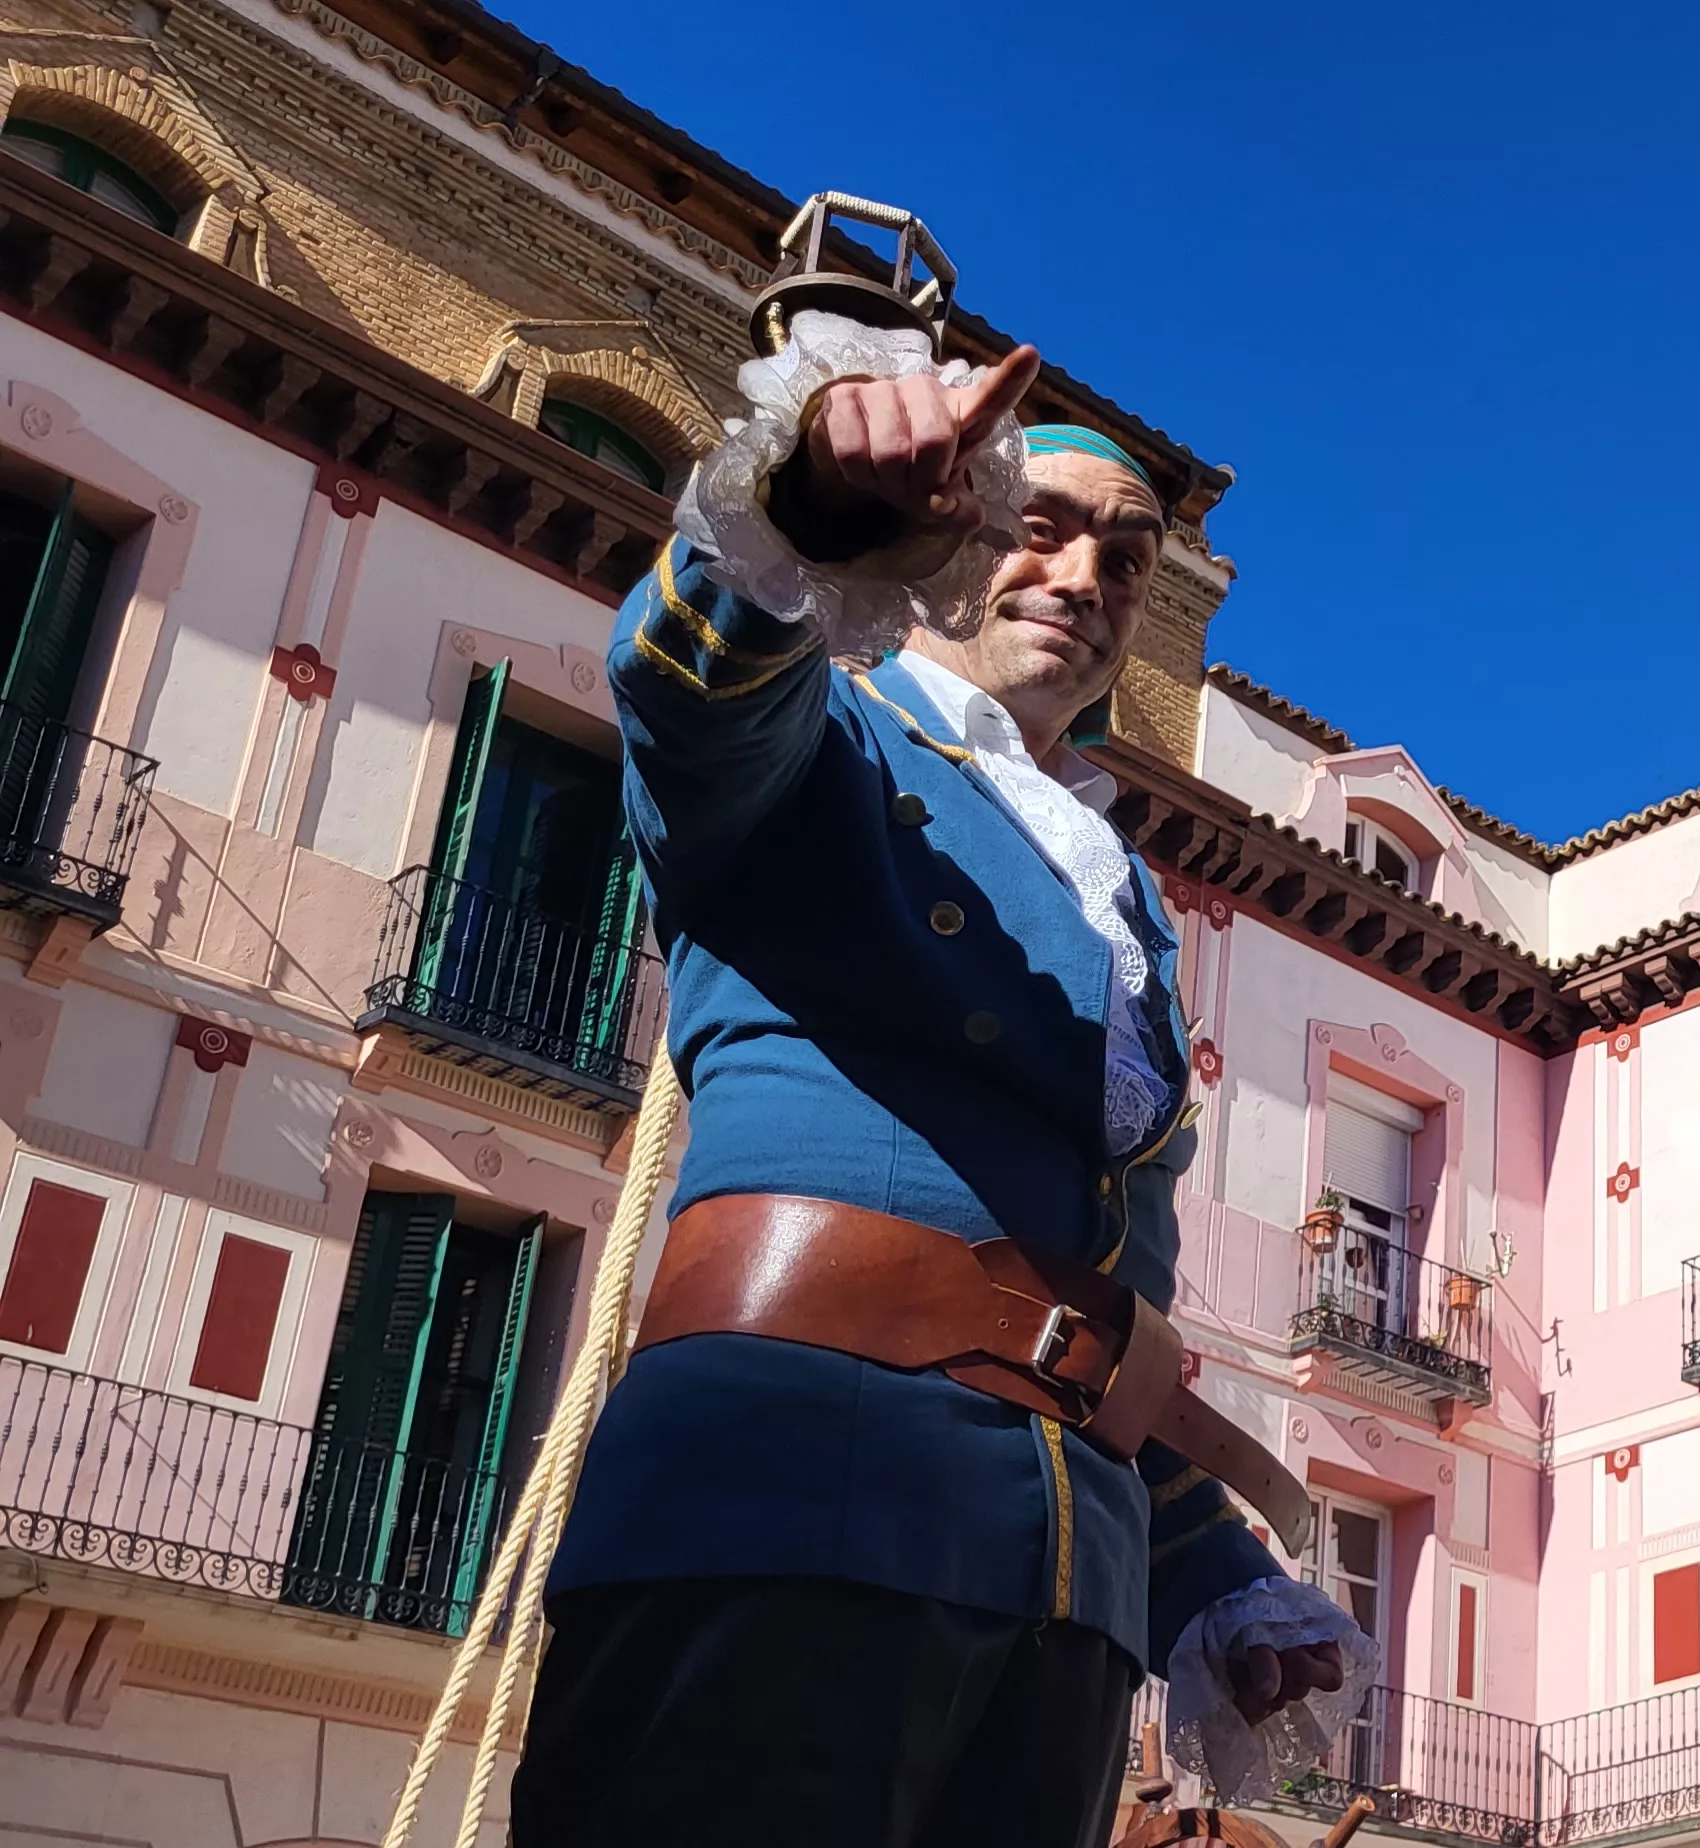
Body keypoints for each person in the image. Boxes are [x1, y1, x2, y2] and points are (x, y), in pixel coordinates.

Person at [512, 315, 1364, 1847]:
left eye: (1128, 560)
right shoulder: (832, 725)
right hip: (787, 1497)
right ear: (956, 531)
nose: (1088, 582)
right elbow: (690, 697)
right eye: (1043, 529)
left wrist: (1213, 1582)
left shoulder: (1128, 899)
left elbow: (1098, 1290)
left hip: (1062, 1600)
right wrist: (821, 514)